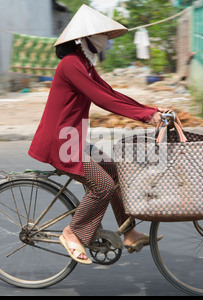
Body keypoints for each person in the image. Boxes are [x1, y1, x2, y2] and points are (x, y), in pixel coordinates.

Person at [28, 5, 163, 264]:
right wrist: (146, 116)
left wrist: (151, 110)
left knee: (116, 171)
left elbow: (111, 93)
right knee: (101, 186)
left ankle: (129, 232)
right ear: (85, 37)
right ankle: (73, 232)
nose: (106, 40)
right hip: (60, 143)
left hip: (72, 139)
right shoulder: (71, 65)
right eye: (102, 34)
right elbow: (102, 99)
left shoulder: (84, 65)